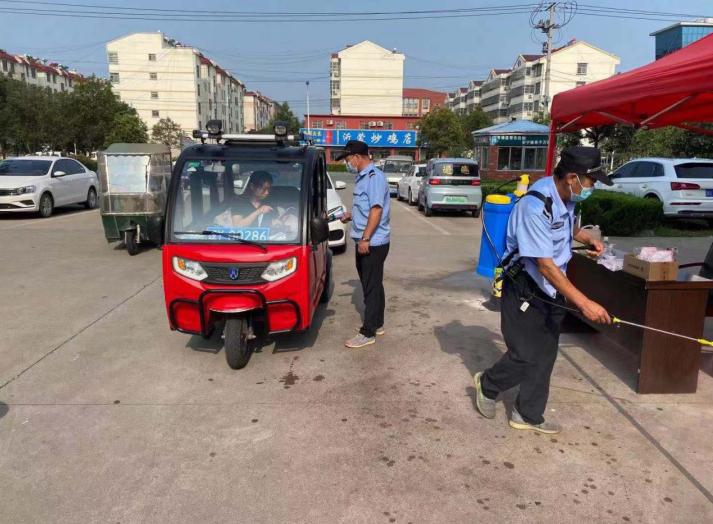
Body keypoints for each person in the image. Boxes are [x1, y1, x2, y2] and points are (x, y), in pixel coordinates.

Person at [474, 146, 613, 435]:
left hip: (553, 288)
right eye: (591, 181)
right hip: (525, 286)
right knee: (524, 354)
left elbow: (568, 227)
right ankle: (488, 385)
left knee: (545, 354)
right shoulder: (535, 206)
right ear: (573, 177)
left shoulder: (565, 197)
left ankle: (528, 413)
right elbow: (544, 265)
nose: (593, 186)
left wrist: (588, 239)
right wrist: (584, 303)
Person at [337, 140, 391, 349]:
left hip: (372, 242)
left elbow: (376, 210)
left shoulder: (373, 177)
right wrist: (351, 215)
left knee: (370, 285)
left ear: (358, 157)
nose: (347, 163)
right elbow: (367, 209)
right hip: (367, 238)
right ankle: (377, 324)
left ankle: (368, 332)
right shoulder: (363, 178)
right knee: (374, 283)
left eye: (348, 159)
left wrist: (366, 238)